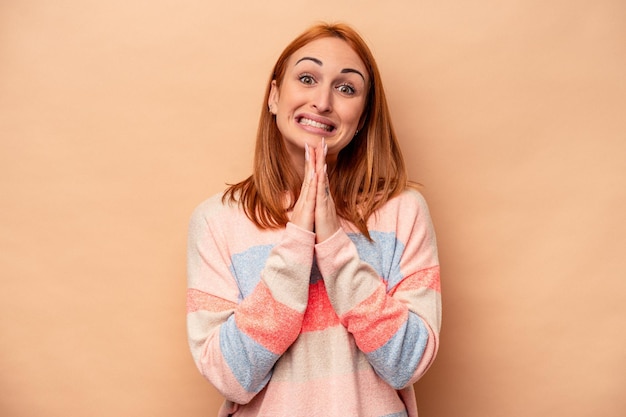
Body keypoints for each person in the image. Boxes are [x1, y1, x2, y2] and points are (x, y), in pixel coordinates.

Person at [186, 22, 441, 417]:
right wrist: (297, 242)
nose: (323, 101)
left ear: (362, 117)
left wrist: (335, 246)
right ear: (274, 96)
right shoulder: (217, 220)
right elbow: (230, 377)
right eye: (307, 78)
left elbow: (406, 363)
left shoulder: (403, 211)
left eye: (346, 88)